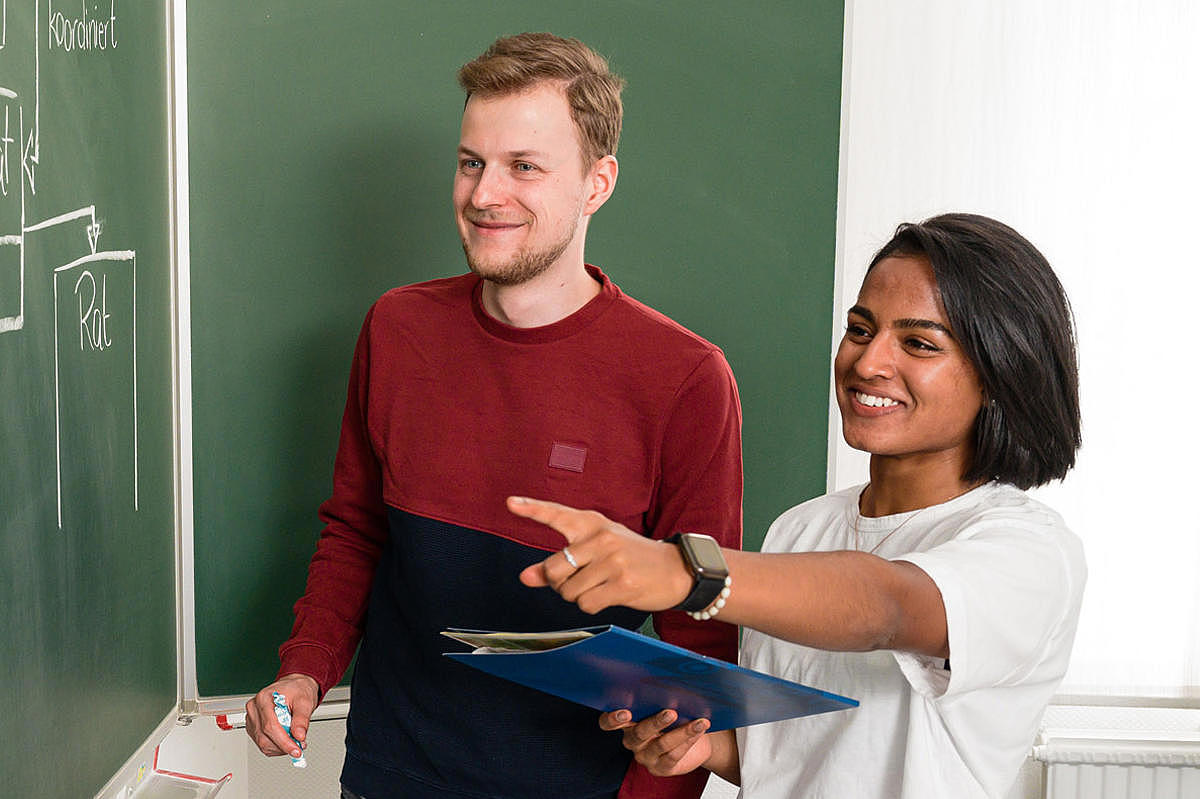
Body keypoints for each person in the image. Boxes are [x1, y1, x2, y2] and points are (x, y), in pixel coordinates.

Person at [242, 32, 743, 799]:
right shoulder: (397, 329)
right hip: (387, 775)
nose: (483, 194)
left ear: (597, 183)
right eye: (472, 161)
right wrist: (305, 667)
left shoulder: (685, 380)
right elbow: (357, 530)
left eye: (524, 167)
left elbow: (699, 646)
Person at [509, 213, 1086, 798]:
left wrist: (687, 573)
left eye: (918, 343)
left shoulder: (1031, 551)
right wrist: (701, 745)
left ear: (1000, 373)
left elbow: (885, 606)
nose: (868, 363)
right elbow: (791, 753)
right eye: (861, 330)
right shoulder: (802, 529)